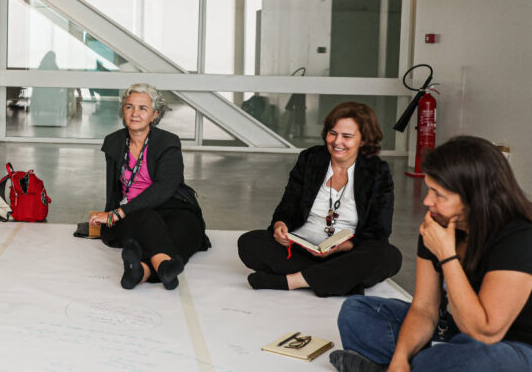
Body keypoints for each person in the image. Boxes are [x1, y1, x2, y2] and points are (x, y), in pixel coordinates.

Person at [331, 136, 532, 372]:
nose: (427, 201)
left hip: (513, 354)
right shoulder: (438, 224)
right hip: (456, 337)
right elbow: (424, 309)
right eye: (429, 190)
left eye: (439, 194)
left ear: (474, 197)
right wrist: (401, 357)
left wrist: (447, 256)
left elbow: (485, 333)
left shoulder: (519, 237)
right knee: (356, 313)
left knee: (479, 368)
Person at [237, 101, 401, 296]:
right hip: (301, 247)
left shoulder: (377, 171)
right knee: (249, 243)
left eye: (347, 136)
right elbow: (287, 207)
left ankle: (293, 281)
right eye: (333, 133)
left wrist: (341, 247)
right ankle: (340, 281)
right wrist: (280, 225)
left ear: (364, 140)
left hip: (346, 253)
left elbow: (379, 229)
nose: (337, 142)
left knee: (389, 257)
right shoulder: (310, 159)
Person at [90, 84, 209, 290]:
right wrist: (113, 215)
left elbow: (165, 187)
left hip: (172, 205)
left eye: (143, 108)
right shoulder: (114, 142)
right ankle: (164, 268)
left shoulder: (168, 142)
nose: (135, 113)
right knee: (146, 222)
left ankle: (142, 271)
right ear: (123, 111)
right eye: (129, 107)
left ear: (154, 115)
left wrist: (118, 214)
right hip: (135, 211)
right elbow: (114, 190)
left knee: (187, 228)